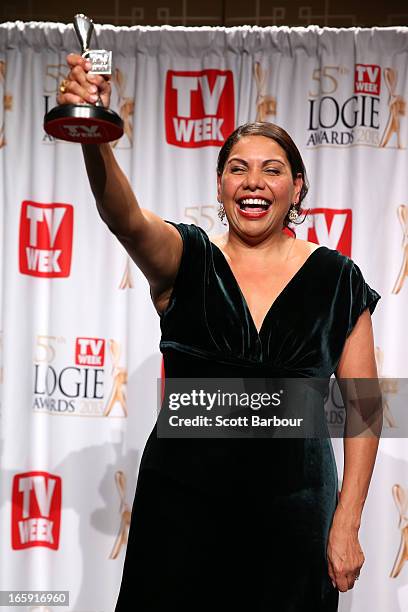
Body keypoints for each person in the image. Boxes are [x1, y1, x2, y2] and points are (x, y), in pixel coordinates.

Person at [58, 54, 382, 612]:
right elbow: (124, 216)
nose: (254, 183)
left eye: (272, 169)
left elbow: (367, 408)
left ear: (297, 187)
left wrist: (347, 522)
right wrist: (93, 132)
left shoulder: (337, 278)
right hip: (182, 510)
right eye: (238, 168)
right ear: (220, 184)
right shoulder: (185, 260)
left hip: (295, 512)